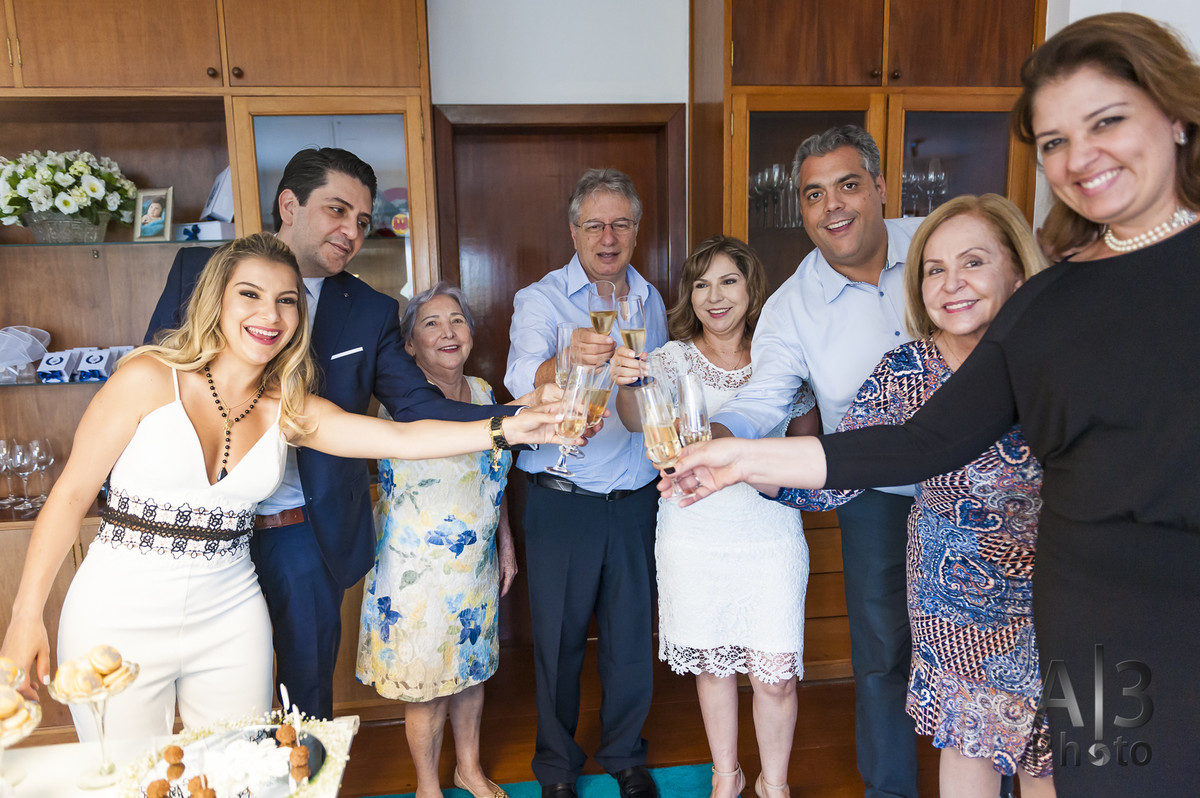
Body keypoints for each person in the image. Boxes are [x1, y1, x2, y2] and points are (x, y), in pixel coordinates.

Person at [664, 13, 1200, 797]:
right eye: (1055, 141)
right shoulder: (1052, 300)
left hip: (1160, 608)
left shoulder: (989, 260)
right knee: (1088, 771)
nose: (1081, 157)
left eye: (1108, 121)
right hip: (1075, 606)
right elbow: (917, 440)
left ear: (1177, 115)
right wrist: (736, 454)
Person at [0, 233, 565, 740]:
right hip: (118, 608)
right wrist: (26, 616)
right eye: (250, 294)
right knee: (127, 775)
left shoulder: (289, 408)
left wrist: (511, 425)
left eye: (287, 300)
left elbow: (402, 437)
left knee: (239, 769)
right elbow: (69, 497)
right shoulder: (147, 378)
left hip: (230, 613)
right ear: (216, 301)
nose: (269, 314)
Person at [143, 148, 532, 720]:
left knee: (305, 698)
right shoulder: (203, 271)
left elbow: (418, 407)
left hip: (303, 530)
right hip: (200, 526)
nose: (352, 231)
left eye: (362, 220)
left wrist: (518, 419)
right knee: (210, 702)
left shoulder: (370, 309)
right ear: (289, 205)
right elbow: (156, 386)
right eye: (337, 210)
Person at [769, 196, 1053, 798]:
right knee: (967, 750)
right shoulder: (906, 369)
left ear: (1018, 274)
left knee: (1056, 761)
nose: (951, 283)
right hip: (955, 606)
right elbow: (844, 464)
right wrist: (734, 465)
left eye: (973, 262)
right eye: (933, 269)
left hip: (1060, 596)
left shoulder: (1062, 363)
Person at [709, 125, 923, 798]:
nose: (833, 206)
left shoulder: (939, 245)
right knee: (882, 657)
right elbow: (764, 398)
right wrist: (717, 437)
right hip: (876, 495)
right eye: (813, 194)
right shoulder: (789, 307)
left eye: (848, 185)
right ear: (800, 208)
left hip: (980, 487)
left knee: (991, 650)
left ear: (881, 187)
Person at [611, 235, 814, 798]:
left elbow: (809, 447)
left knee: (775, 674)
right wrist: (626, 385)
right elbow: (635, 419)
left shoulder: (781, 357)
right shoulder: (670, 359)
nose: (714, 296)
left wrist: (768, 471)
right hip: (694, 529)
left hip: (769, 531)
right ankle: (727, 775)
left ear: (752, 290)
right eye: (701, 285)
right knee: (714, 665)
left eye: (728, 281)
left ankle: (775, 784)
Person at [505, 168, 668, 798]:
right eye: (594, 224)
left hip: (635, 499)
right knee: (558, 644)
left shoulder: (651, 301)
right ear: (573, 231)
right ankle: (556, 768)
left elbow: (657, 391)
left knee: (630, 641)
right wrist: (566, 356)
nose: (608, 237)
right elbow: (519, 383)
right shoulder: (540, 299)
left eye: (620, 224)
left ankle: (626, 755)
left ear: (636, 230)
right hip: (562, 499)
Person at [356, 283, 516, 798]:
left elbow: (493, 480)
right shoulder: (400, 404)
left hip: (474, 567)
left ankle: (468, 769)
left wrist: (505, 542)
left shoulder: (485, 394)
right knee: (426, 686)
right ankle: (428, 787)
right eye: (431, 323)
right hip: (416, 574)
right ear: (408, 344)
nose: (448, 332)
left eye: (457, 321)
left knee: (471, 671)